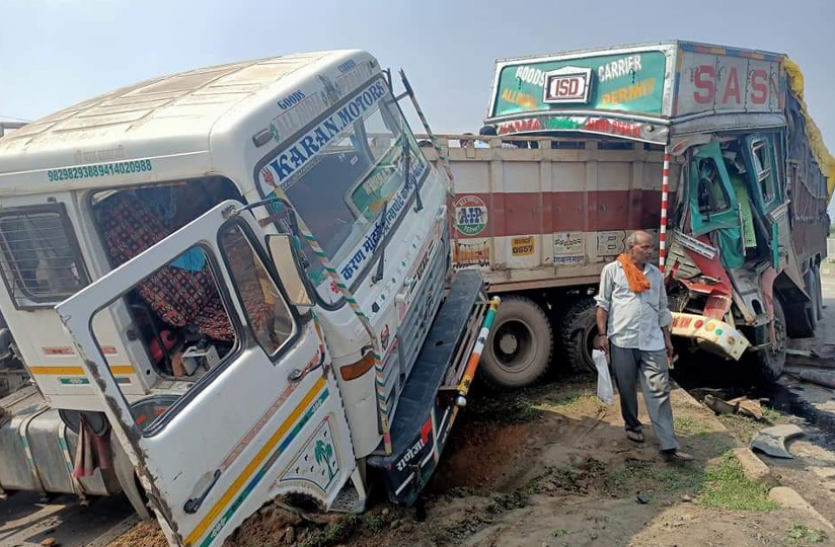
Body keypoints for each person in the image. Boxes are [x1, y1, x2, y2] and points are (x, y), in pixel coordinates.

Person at [594, 231, 694, 462]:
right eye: (645, 248)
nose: (650, 252)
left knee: (659, 390)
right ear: (632, 247)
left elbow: (662, 310)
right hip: (622, 340)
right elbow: (603, 305)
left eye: (651, 248)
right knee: (627, 387)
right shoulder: (612, 271)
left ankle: (668, 442)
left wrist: (667, 339)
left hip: (652, 342)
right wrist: (602, 335)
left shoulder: (656, 276)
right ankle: (632, 424)